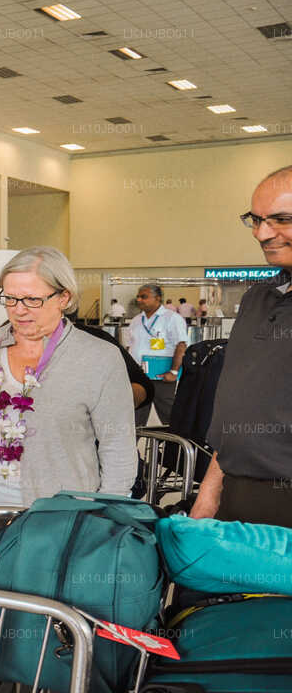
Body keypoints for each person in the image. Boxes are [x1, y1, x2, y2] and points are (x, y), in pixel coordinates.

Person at [0, 247, 138, 580]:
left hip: (58, 513)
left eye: (32, 299)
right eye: (9, 298)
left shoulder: (99, 359)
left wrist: (104, 522)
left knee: (40, 605)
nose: (19, 310)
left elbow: (118, 448)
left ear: (64, 297)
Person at [192, 165, 292, 527]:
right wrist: (209, 491)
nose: (262, 233)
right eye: (256, 219)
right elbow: (236, 406)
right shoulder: (257, 297)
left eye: (281, 219)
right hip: (238, 496)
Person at [127, 284, 189, 425]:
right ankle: (134, 440)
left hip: (161, 376)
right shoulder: (136, 320)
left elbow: (181, 345)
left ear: (158, 298)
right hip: (138, 376)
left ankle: (176, 439)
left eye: (144, 297)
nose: (139, 299)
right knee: (135, 416)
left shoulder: (172, 318)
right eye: (138, 296)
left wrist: (174, 372)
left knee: (169, 415)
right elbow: (129, 346)